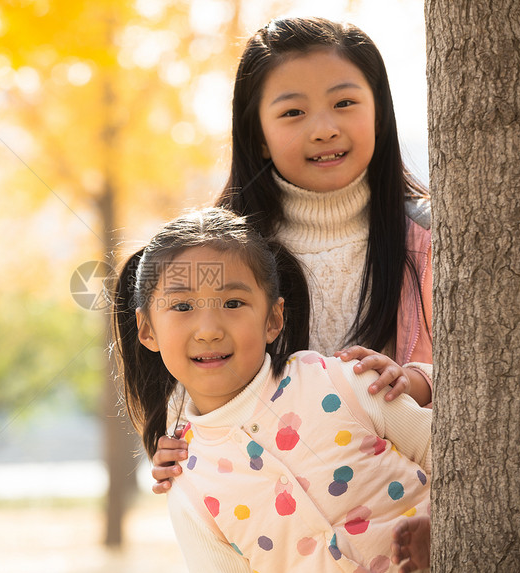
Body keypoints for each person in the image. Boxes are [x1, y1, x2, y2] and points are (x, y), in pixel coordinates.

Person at [152, 15, 434, 499]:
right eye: (292, 113)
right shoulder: (218, 253)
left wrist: (417, 383)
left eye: (344, 103)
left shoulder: (431, 239)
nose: (324, 129)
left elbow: (489, 374)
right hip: (276, 519)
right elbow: (193, 370)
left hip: (407, 510)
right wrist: (179, 440)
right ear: (257, 133)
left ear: (379, 113)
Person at [114, 207, 432, 571]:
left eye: (233, 303)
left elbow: (460, 457)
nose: (208, 329)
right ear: (147, 331)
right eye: (182, 306)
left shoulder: (343, 382)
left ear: (274, 319)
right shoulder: (189, 484)